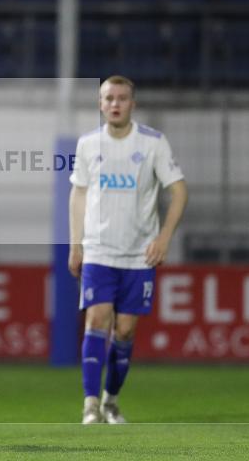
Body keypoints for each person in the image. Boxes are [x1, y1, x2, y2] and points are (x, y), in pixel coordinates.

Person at [68, 76, 188, 424]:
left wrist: (164, 237)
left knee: (124, 331)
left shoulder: (153, 143)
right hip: (99, 250)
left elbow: (179, 191)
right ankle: (90, 405)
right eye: (109, 98)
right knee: (96, 319)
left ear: (132, 104)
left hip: (139, 254)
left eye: (122, 98)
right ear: (101, 104)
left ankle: (111, 401)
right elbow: (78, 194)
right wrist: (75, 243)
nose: (115, 104)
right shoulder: (89, 144)